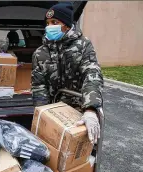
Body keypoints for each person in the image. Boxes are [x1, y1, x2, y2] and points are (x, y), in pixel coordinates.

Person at [31, 2, 104, 144]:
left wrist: (90, 108)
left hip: (79, 113)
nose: (49, 27)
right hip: (54, 113)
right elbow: (39, 87)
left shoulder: (83, 45)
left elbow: (92, 75)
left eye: (54, 22)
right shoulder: (40, 53)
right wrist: (43, 115)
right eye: (47, 23)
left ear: (67, 25)